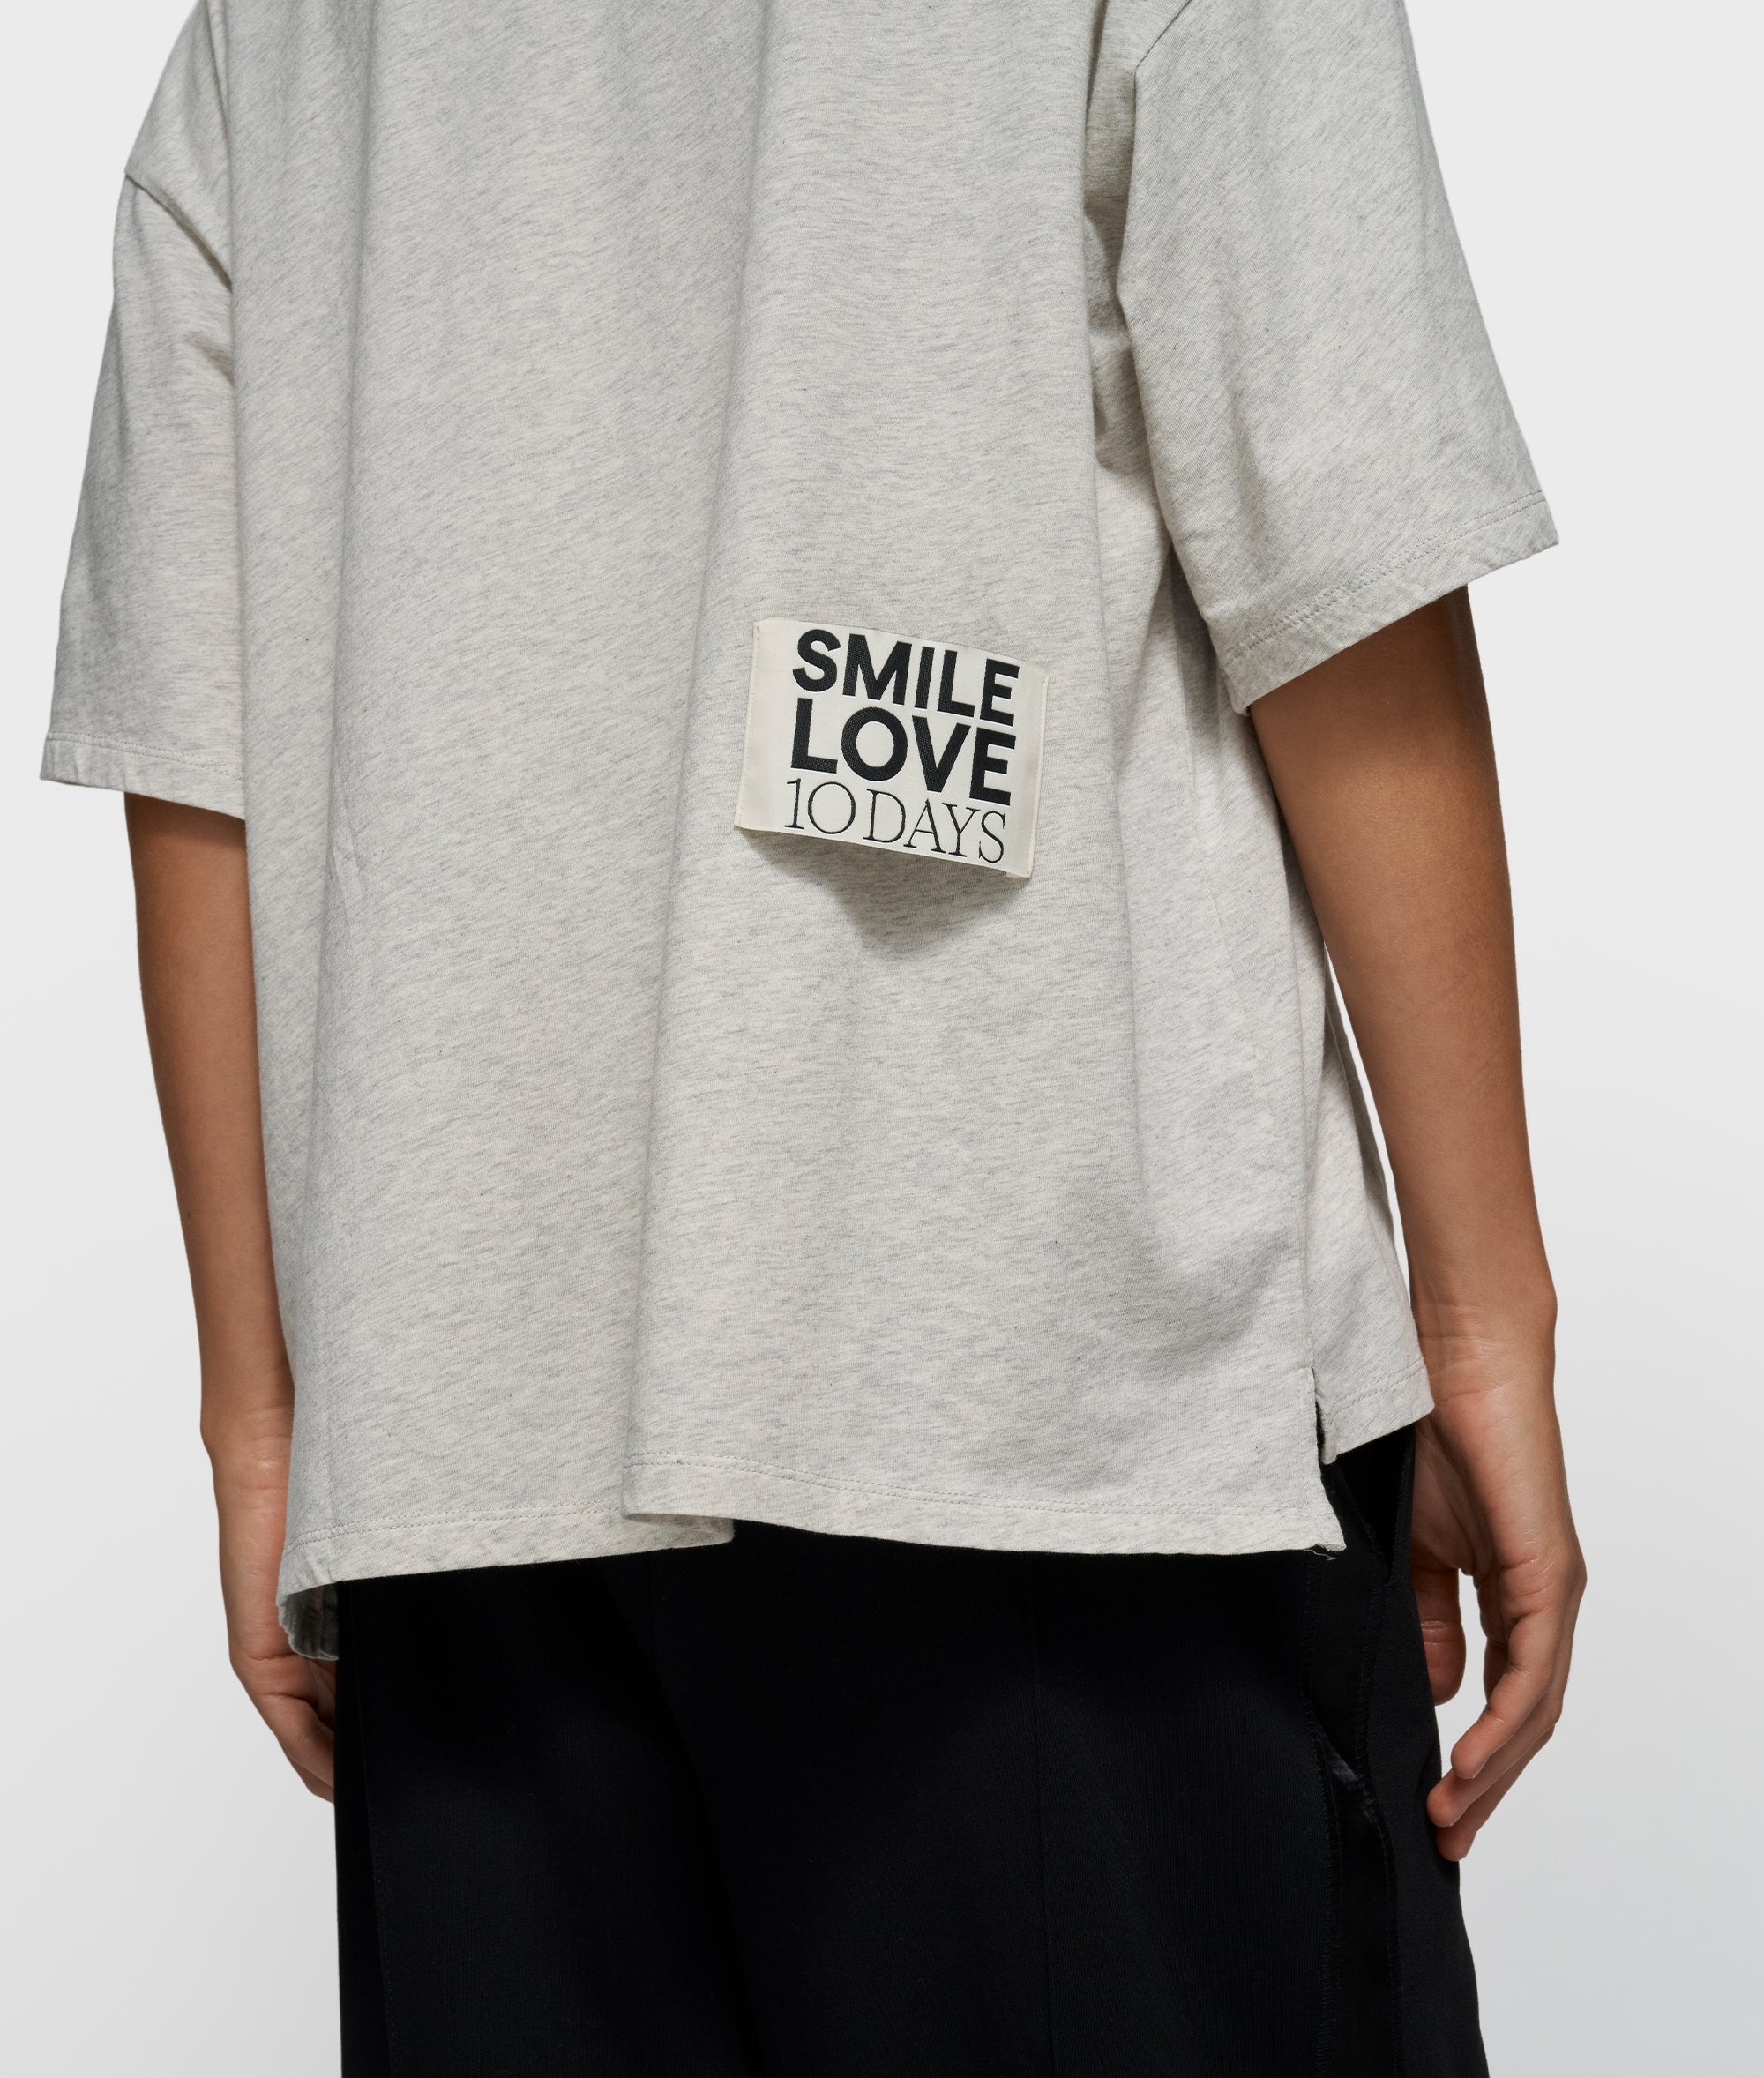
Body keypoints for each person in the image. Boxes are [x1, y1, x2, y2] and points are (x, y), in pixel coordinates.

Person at [42, 1, 1583, 2072]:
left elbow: (194, 725)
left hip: (464, 1455)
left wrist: (263, 1414)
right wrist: (1480, 1316)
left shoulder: (276, 30)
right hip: (1044, 1413)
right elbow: (1340, 556)